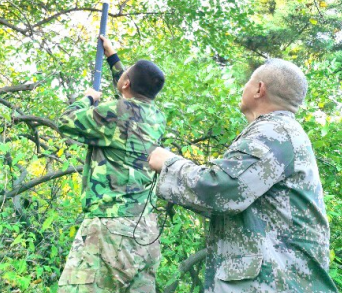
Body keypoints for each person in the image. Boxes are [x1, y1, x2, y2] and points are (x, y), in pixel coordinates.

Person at [148, 58, 337, 293]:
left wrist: (168, 163)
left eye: (247, 82)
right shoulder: (280, 132)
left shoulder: (273, 132)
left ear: (259, 89)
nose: (242, 88)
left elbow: (221, 189)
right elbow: (233, 204)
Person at [57, 35, 166, 293]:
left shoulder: (114, 112)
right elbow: (135, 90)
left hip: (110, 227)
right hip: (145, 229)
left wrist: (87, 98)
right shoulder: (156, 116)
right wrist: (113, 58)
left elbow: (66, 121)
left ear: (126, 82)